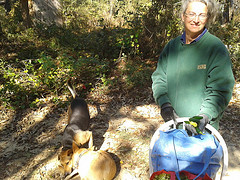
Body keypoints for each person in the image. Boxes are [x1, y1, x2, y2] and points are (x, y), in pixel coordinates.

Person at [151, 0, 235, 134]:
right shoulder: (172, 47)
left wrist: (205, 115)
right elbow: (159, 78)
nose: (196, 20)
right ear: (183, 16)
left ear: (207, 18)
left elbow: (220, 89)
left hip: (203, 131)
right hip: (173, 128)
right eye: (191, 14)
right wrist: (165, 105)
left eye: (202, 15)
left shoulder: (215, 48)